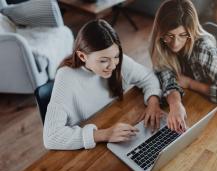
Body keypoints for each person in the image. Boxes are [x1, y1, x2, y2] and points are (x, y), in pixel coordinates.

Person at [43, 19, 163, 150]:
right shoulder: (66, 77)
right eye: (103, 60)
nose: (112, 66)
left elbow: (148, 77)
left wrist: (153, 103)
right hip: (86, 149)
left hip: (115, 125)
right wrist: (104, 134)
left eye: (116, 56)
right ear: (83, 57)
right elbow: (51, 137)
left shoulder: (116, 61)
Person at [149, 0, 217, 133]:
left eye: (182, 35)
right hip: (189, 104)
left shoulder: (205, 50)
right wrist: (175, 104)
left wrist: (191, 83)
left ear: (190, 32)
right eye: (169, 36)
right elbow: (164, 72)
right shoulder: (161, 43)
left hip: (212, 112)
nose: (175, 43)